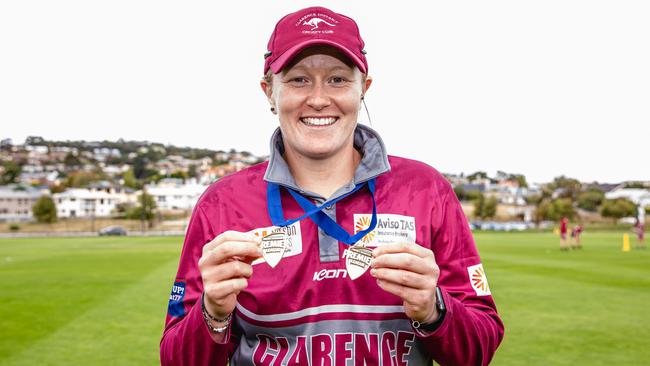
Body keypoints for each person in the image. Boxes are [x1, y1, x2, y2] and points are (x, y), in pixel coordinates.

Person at [160, 6, 504, 365]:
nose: (320, 98)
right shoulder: (222, 203)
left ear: (364, 89)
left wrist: (434, 308)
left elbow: (479, 348)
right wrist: (212, 312)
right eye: (298, 80)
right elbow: (175, 359)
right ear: (269, 93)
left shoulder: (426, 189)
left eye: (338, 79)